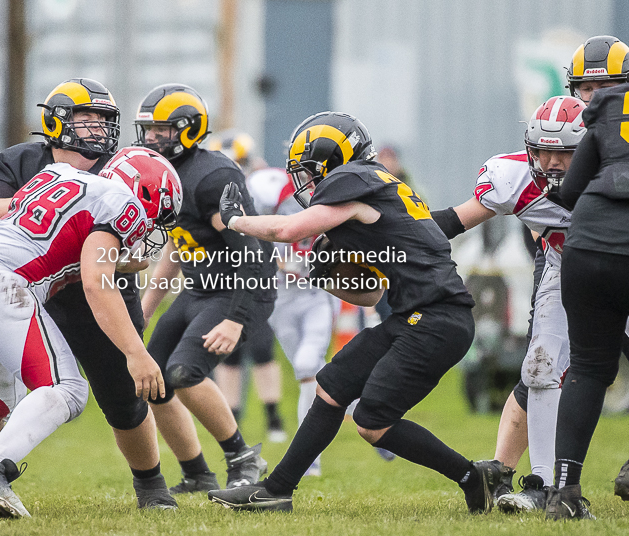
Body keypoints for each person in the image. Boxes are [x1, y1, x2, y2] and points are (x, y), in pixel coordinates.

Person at [208, 111, 505, 514]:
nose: (305, 182)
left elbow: (287, 230)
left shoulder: (356, 180)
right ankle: (276, 490)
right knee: (332, 386)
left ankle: (474, 476)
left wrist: (233, 220)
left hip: (436, 319)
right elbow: (368, 295)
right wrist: (326, 276)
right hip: (416, 315)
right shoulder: (380, 189)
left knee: (372, 421)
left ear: (335, 161)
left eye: (309, 171)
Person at [0, 146, 182, 517]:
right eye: (156, 215)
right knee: (68, 389)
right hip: (1, 283)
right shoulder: (121, 201)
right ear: (144, 191)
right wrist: (136, 353)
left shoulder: (59, 174)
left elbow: (61, 245)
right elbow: (97, 284)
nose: (151, 225)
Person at [0, 78, 178, 511]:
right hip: (30, 291)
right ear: (55, 120)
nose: (97, 128)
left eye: (103, 119)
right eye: (85, 117)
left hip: (102, 292)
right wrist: (46, 195)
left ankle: (152, 487)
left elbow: (140, 255)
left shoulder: (119, 165)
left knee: (123, 399)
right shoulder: (24, 161)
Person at [431, 95, 591, 513]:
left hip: (619, 267)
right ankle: (543, 485)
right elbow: (455, 219)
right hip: (562, 264)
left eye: (564, 152)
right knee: (539, 365)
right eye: (544, 151)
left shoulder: (613, 169)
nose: (553, 162)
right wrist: (389, 234)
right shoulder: (513, 176)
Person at [135, 84, 277, 493]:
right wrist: (147, 305)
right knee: (153, 379)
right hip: (199, 290)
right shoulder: (166, 172)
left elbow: (249, 250)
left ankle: (242, 457)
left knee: (184, 372)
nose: (150, 139)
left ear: (187, 129)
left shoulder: (212, 175)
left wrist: (236, 319)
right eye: (147, 129)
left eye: (160, 130)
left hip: (240, 288)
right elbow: (180, 242)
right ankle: (197, 473)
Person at [543, 80, 629, 520]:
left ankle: (564, 494)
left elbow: (572, 189)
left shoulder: (610, 107)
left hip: (589, 244)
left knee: (589, 368)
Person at [246, 165, 341, 473]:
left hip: (316, 295)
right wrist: (275, 260)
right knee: (311, 374)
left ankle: (310, 462)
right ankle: (358, 401)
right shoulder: (270, 188)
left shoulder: (338, 195)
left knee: (306, 366)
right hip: (281, 299)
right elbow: (253, 235)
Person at [208, 131, 286, 442]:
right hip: (226, 274)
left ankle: (273, 417)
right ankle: (233, 419)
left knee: (262, 346)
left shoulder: (263, 185)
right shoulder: (210, 189)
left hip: (260, 272)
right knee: (229, 353)